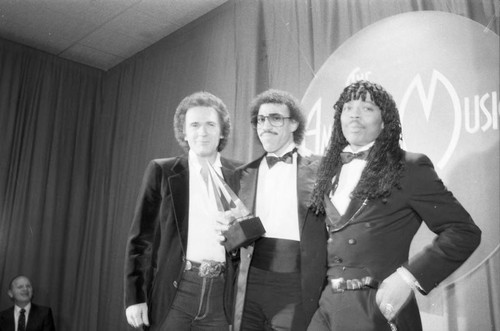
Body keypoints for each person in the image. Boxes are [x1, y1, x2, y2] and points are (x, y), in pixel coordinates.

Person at [307, 80, 481, 331]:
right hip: (327, 304)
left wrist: (407, 278)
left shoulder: (408, 167)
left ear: (385, 121)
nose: (354, 114)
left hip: (376, 305)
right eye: (347, 108)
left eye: (367, 108)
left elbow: (464, 231)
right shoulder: (326, 171)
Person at [124, 91, 241, 330]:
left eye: (210, 124)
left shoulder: (241, 174)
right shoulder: (162, 170)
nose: (202, 132)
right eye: (195, 125)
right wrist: (135, 297)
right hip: (176, 291)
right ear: (184, 132)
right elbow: (141, 239)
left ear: (222, 131)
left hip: (222, 295)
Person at [233, 89, 327, 331]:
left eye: (276, 118)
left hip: (296, 285)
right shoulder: (241, 175)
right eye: (261, 120)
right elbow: (233, 237)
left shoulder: (322, 169)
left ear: (294, 123)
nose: (266, 125)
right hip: (250, 284)